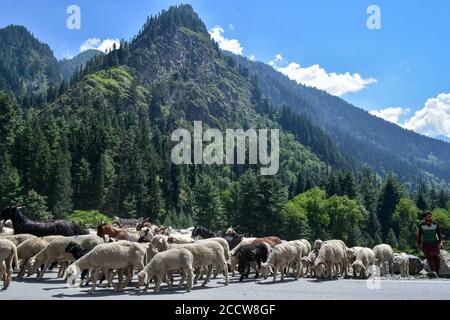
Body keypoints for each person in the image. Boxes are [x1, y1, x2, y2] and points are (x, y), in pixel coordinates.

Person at [417, 210, 444, 277]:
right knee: (430, 258)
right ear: (425, 218)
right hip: (426, 245)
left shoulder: (435, 224)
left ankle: (436, 274)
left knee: (437, 258)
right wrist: (418, 245)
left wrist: (440, 243)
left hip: (434, 244)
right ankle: (433, 273)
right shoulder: (421, 225)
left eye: (431, 216)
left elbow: (439, 235)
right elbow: (419, 236)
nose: (430, 217)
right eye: (428, 216)